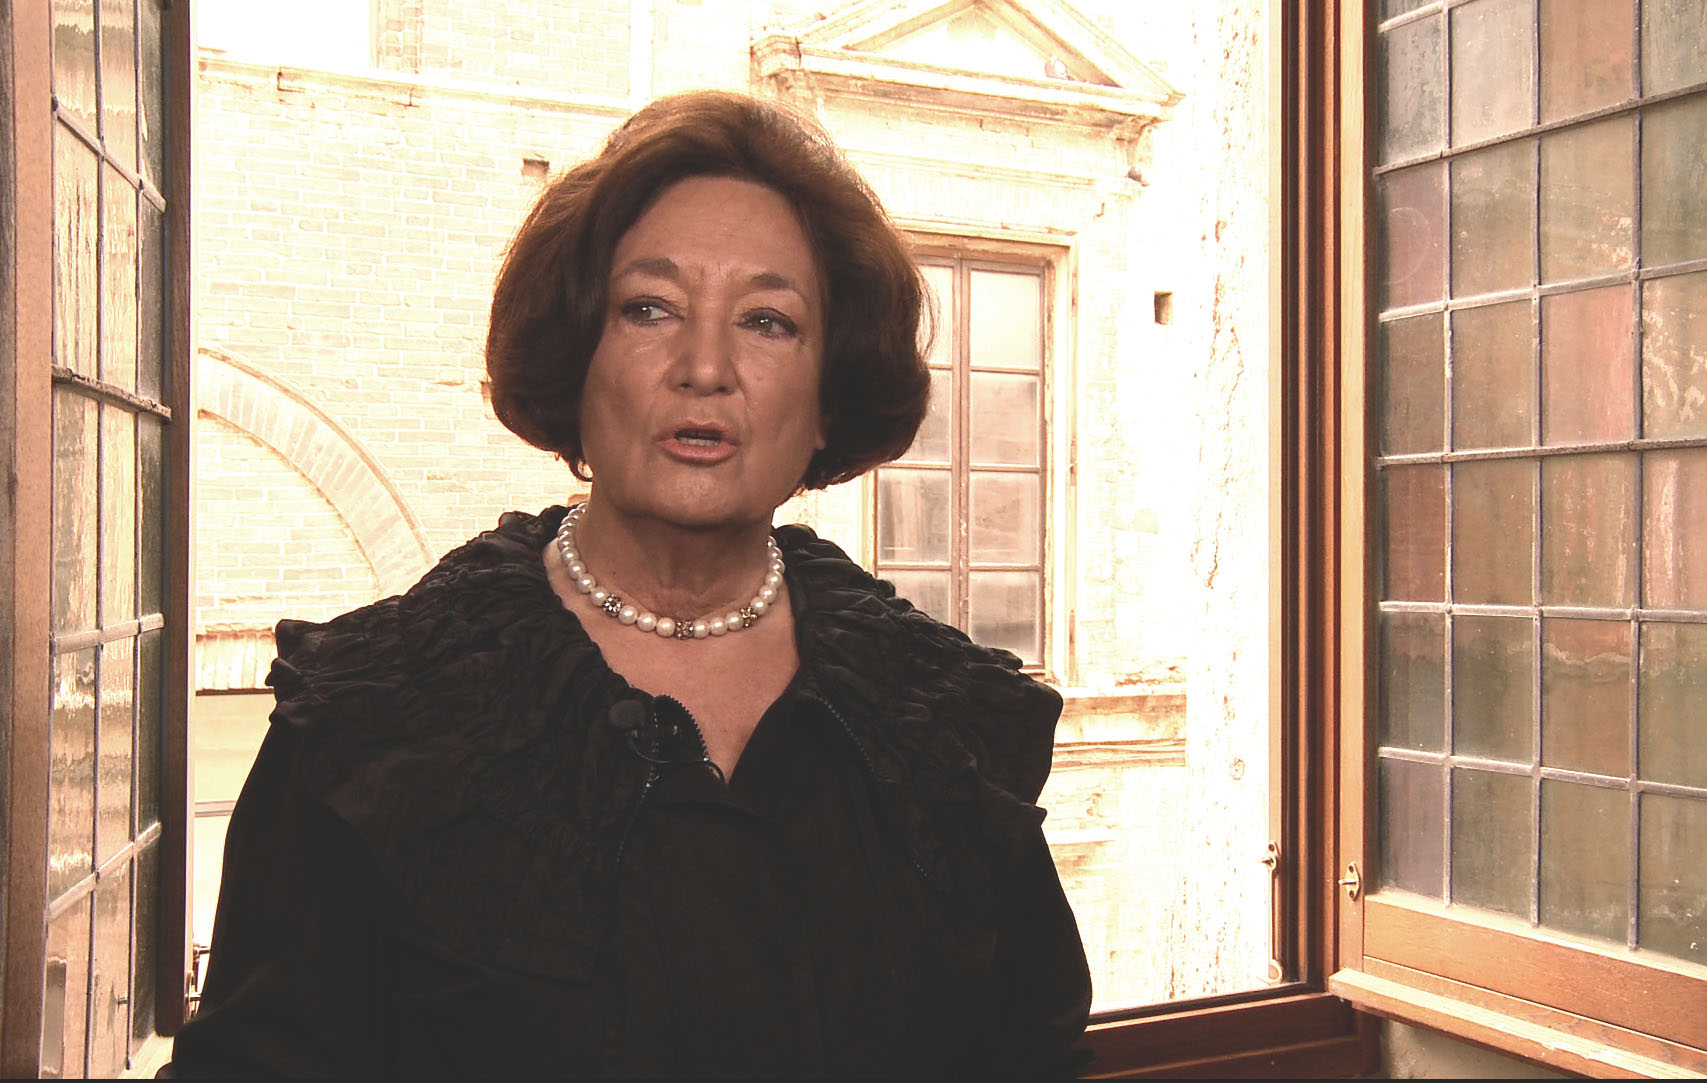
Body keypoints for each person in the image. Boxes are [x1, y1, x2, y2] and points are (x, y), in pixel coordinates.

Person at [165, 90, 1092, 1077]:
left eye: (768, 321)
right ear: (577, 359)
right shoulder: (375, 719)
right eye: (650, 309)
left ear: (828, 396)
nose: (705, 367)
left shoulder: (936, 720)